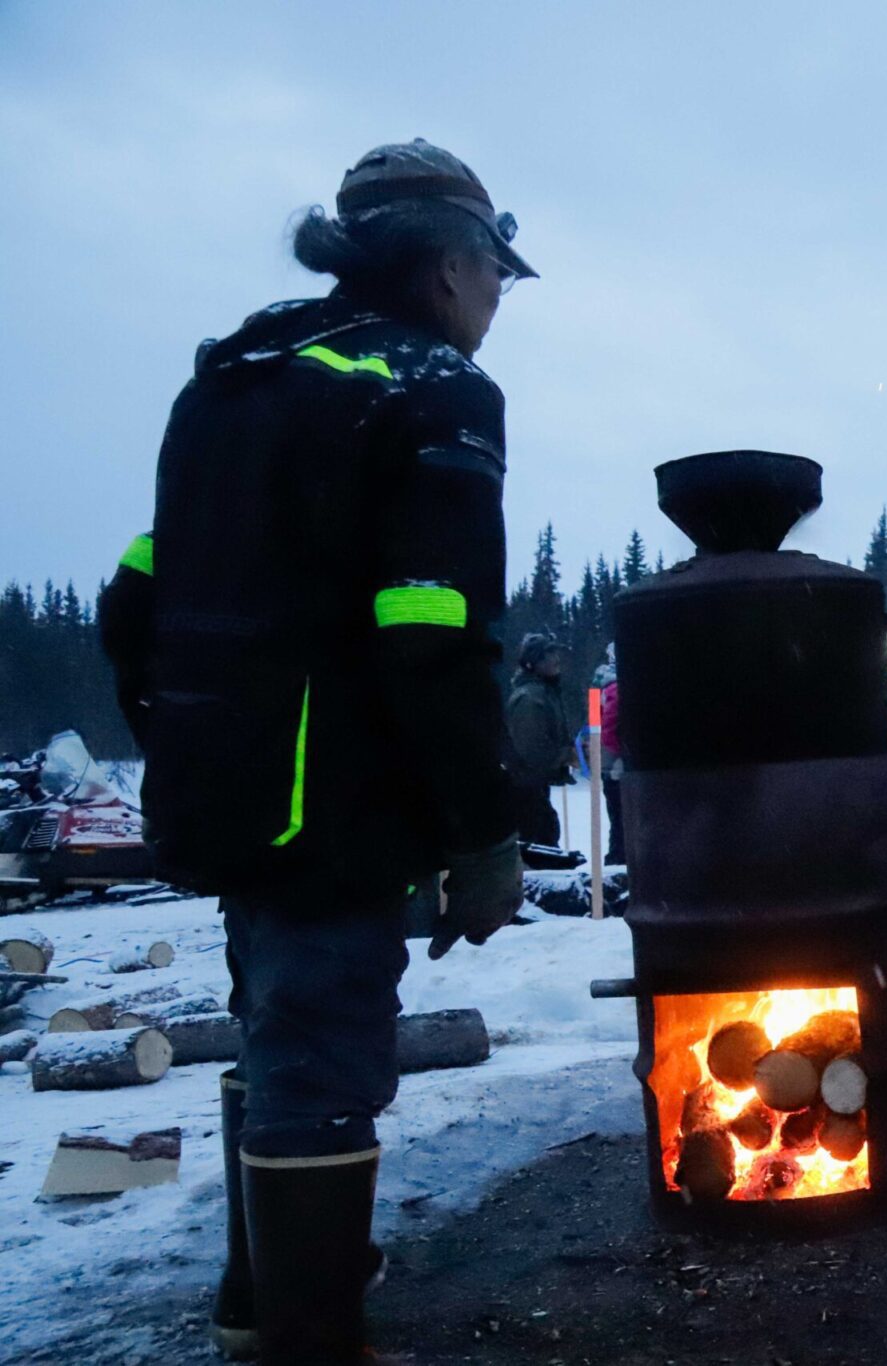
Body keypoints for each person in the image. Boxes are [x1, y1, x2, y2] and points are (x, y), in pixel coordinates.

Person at [97, 138, 533, 1363]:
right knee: (324, 1049)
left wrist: (186, 729)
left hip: (224, 787)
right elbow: (430, 631)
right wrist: (481, 825)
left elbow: (135, 593)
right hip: (336, 801)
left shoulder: (238, 375)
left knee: (278, 1024)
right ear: (448, 265)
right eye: (496, 272)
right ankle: (310, 1339)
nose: (499, 300)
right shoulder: (428, 387)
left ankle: (259, 1296)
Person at [506, 633, 576, 847]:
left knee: (546, 833)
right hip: (524, 789)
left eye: (555, 653)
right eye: (548, 655)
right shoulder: (530, 698)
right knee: (540, 840)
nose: (556, 659)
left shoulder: (545, 693)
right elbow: (531, 750)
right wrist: (566, 755)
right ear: (533, 663)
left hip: (534, 787)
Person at [597, 644, 625, 865]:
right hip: (617, 765)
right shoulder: (617, 685)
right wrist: (620, 755)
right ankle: (617, 868)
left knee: (619, 823)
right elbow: (608, 727)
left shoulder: (604, 683)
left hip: (609, 763)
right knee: (622, 825)